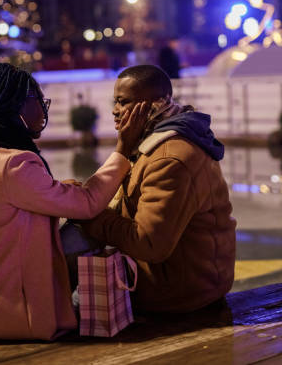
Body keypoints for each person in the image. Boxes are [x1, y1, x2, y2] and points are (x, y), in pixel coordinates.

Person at [0, 63, 148, 340]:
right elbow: (88, 203)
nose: (44, 108)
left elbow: (8, 199)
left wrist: (58, 189)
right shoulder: (14, 164)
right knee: (89, 228)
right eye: (39, 100)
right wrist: (124, 147)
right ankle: (146, 297)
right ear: (18, 107)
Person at [78, 64, 236, 314]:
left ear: (150, 106)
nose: (114, 111)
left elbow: (149, 243)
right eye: (115, 102)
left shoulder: (169, 159)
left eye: (122, 102)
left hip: (180, 295)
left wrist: (89, 216)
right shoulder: (147, 143)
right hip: (172, 285)